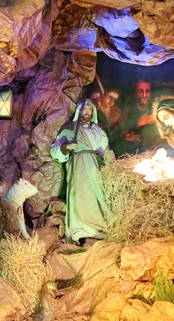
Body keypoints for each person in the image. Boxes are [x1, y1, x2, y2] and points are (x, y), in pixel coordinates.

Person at [50, 100, 111, 244]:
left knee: (97, 197)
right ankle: (82, 232)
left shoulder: (98, 130)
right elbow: (54, 150)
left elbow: (105, 150)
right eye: (84, 109)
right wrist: (66, 147)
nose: (87, 112)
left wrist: (112, 164)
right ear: (79, 111)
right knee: (81, 197)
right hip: (79, 167)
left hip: (95, 168)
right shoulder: (70, 130)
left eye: (90, 109)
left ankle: (98, 230)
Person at [113, 80, 158, 155]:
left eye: (147, 91)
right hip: (136, 140)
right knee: (117, 147)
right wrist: (126, 134)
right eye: (141, 91)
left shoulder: (154, 106)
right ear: (136, 93)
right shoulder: (129, 109)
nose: (144, 95)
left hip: (151, 141)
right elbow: (121, 128)